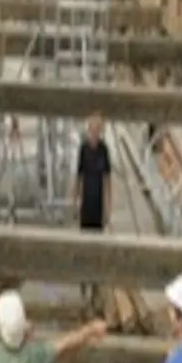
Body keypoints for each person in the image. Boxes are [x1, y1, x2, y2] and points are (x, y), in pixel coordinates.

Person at [71, 113, 112, 311]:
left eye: (98, 130)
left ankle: (96, 289)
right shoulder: (83, 150)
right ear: (89, 130)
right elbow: (78, 176)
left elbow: (107, 179)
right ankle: (83, 286)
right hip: (86, 204)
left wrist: (108, 206)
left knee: (98, 246)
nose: (95, 133)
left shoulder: (104, 150)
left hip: (98, 205)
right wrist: (74, 200)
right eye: (93, 130)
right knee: (83, 244)